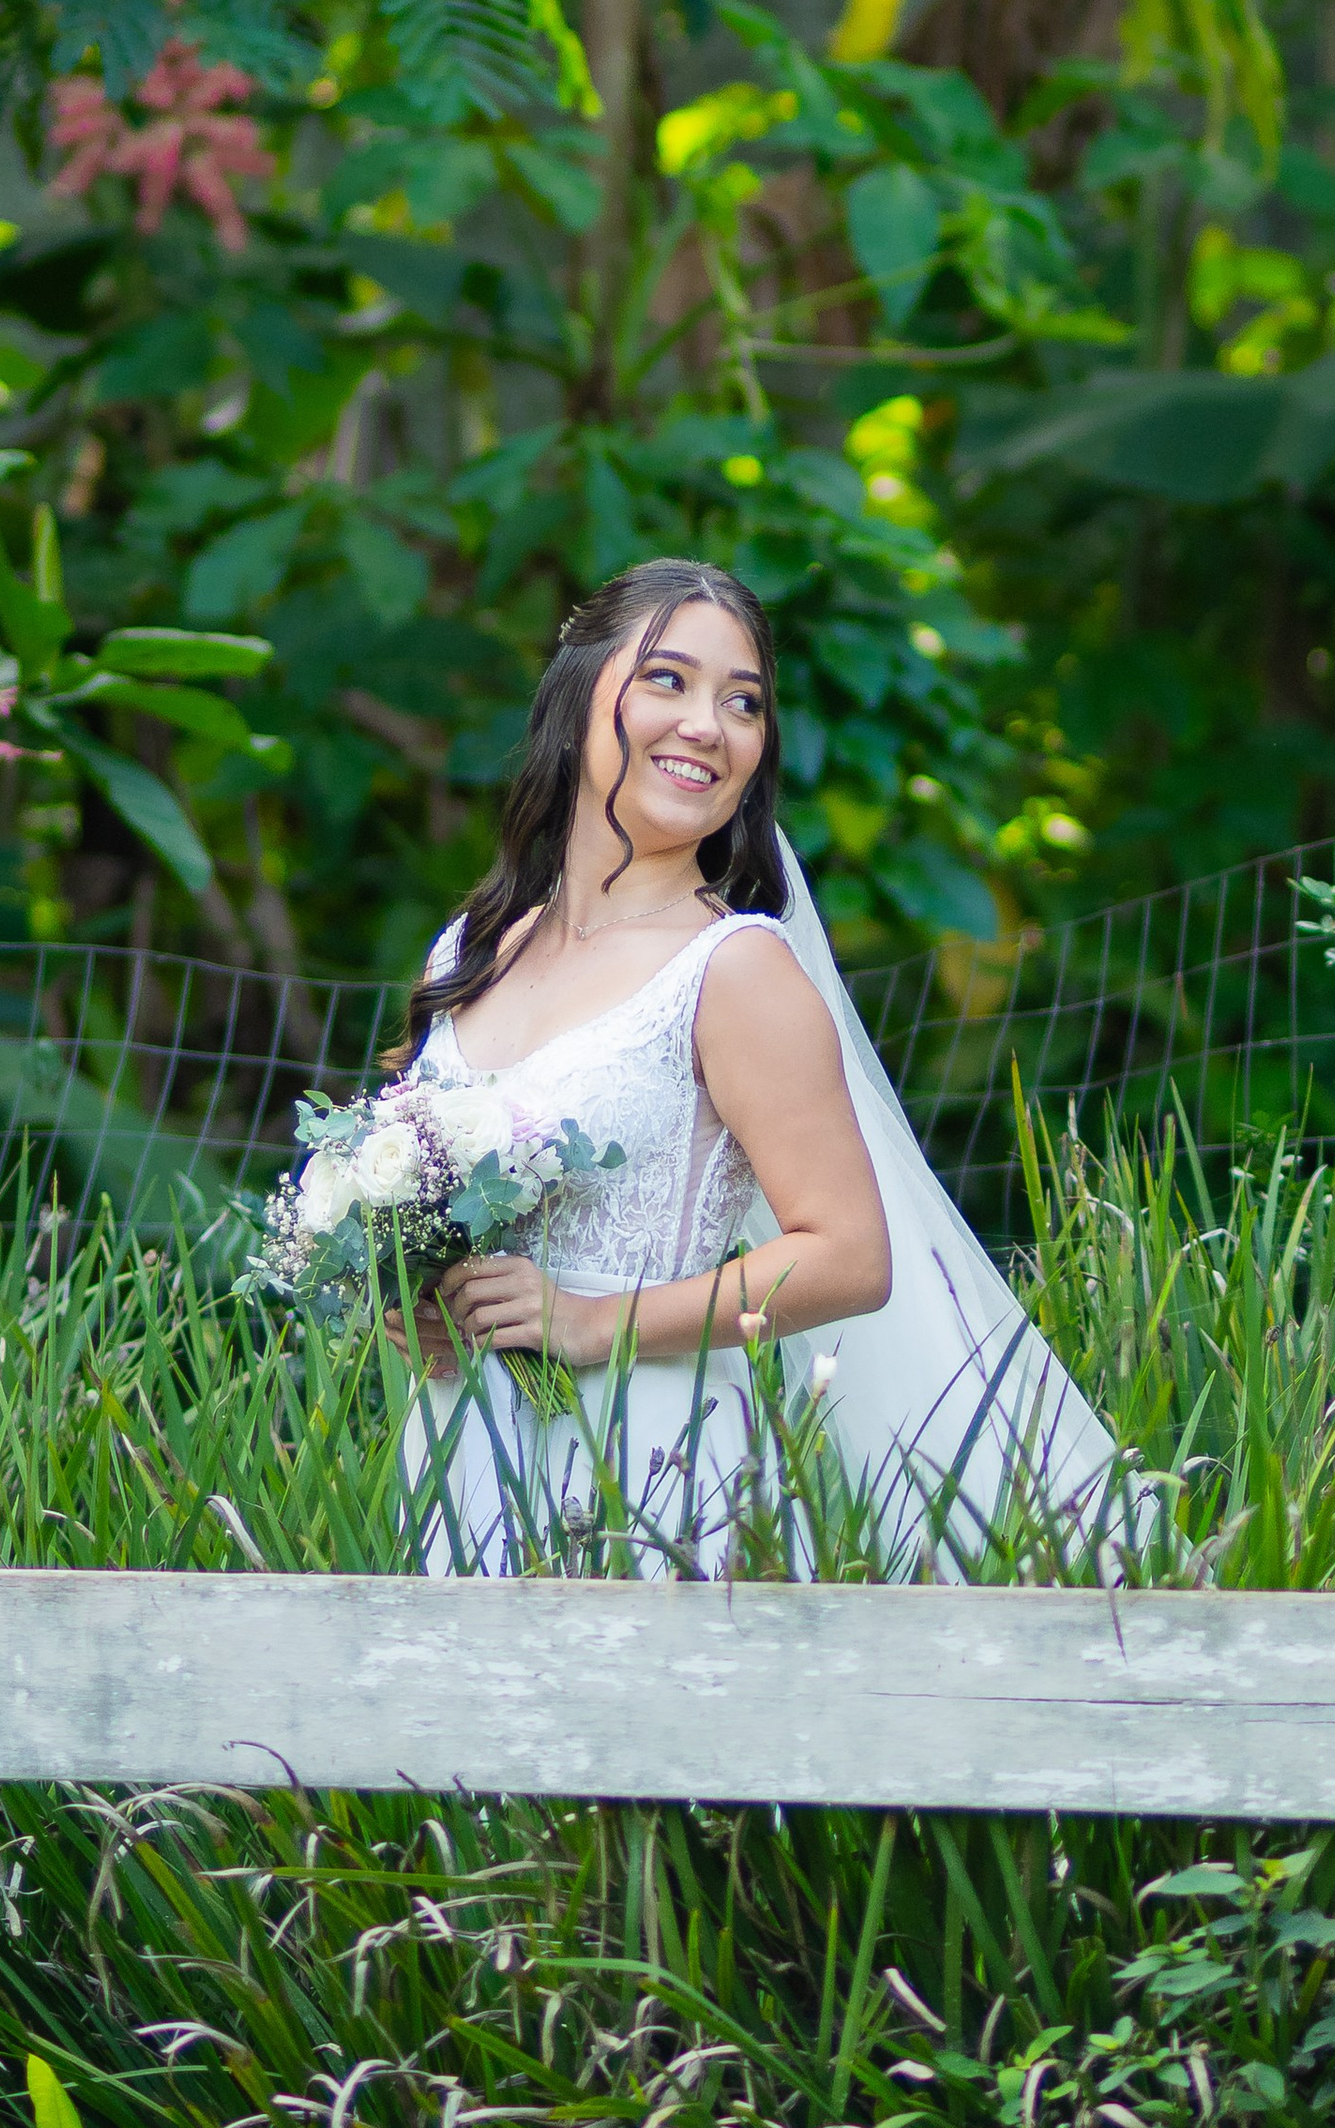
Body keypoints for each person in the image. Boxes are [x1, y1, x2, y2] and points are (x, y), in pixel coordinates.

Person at [387, 556, 1116, 1572]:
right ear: (577, 696)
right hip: (468, 1442)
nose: (707, 725)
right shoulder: (469, 951)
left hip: (647, 1460)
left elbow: (848, 1256)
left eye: (743, 702)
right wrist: (420, 1297)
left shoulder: (732, 970)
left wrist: (595, 1323)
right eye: (667, 680)